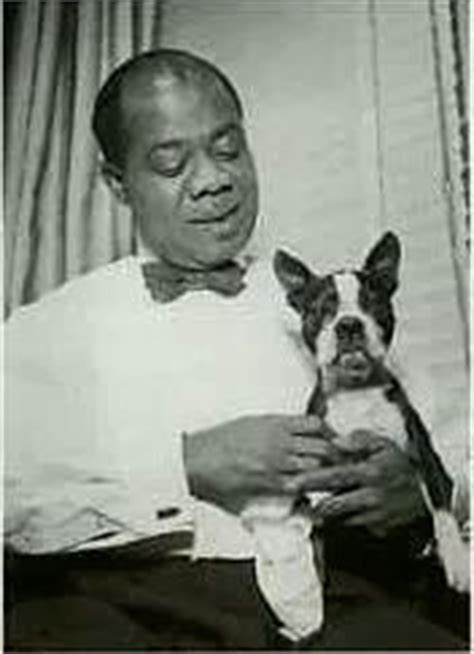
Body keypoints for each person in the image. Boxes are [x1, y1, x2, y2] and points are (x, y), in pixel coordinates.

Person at [4, 48, 467, 650]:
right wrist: (183, 469)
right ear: (118, 183)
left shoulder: (336, 311)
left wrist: (420, 501)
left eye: (228, 149)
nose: (213, 179)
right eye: (172, 164)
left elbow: (458, 459)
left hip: (343, 605)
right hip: (122, 609)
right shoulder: (46, 330)